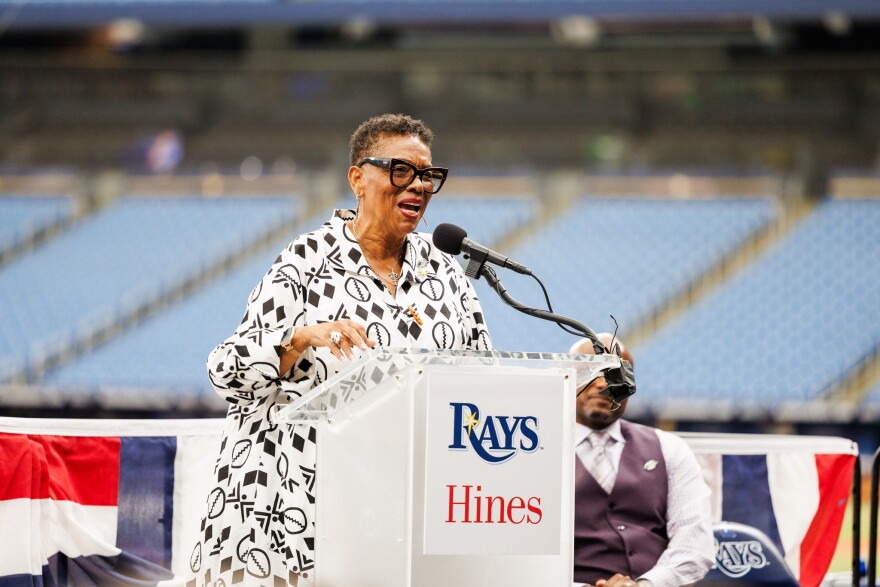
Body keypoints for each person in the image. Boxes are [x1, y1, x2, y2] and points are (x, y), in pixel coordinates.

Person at [189, 113, 492, 586]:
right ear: (357, 178)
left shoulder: (448, 276)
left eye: (428, 175)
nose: (418, 185)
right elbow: (225, 370)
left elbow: (482, 379)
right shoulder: (305, 261)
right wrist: (297, 339)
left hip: (385, 525)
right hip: (281, 518)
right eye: (401, 170)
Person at [570, 334, 713, 587]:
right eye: (591, 370)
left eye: (618, 375)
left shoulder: (670, 449)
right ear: (567, 376)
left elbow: (695, 543)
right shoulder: (535, 450)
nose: (604, 384)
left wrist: (646, 584)